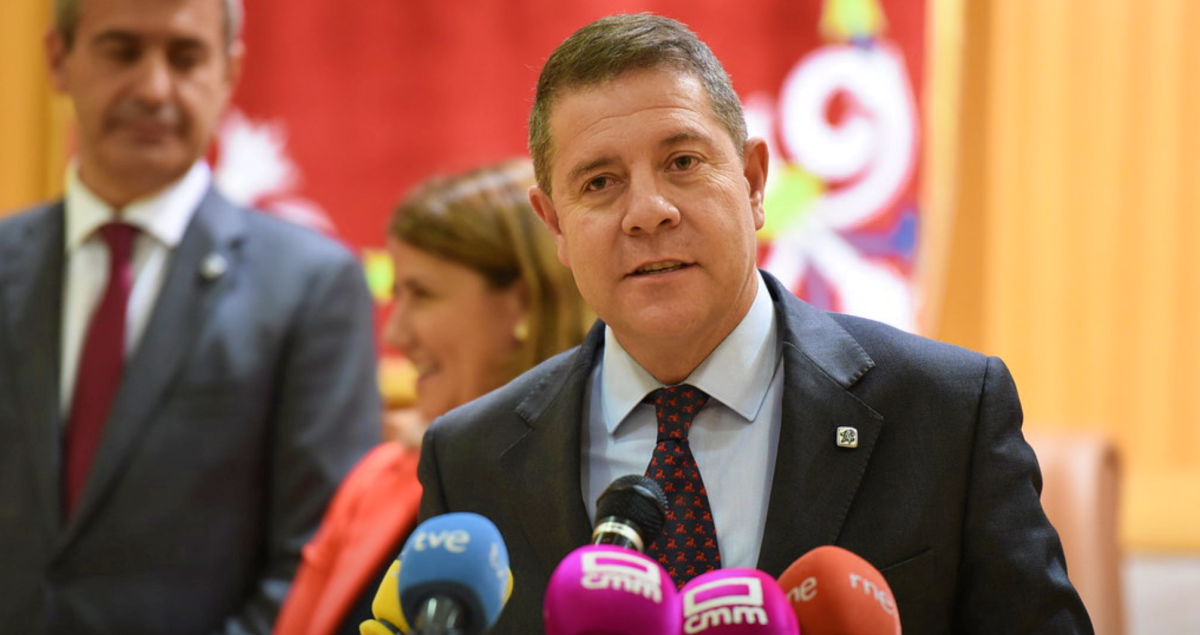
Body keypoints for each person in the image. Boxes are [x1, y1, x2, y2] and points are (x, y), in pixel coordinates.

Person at [417, 13, 1094, 635]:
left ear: (752, 180)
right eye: (599, 182)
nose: (648, 211)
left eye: (683, 163)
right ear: (555, 225)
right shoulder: (469, 460)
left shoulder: (945, 412)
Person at [0, 0, 379, 632]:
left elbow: (316, 561)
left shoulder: (311, 286)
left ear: (229, 72)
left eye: (185, 57)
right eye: (122, 51)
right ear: (58, 59)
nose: (154, 88)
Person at [272, 159, 591, 635]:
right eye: (396, 294)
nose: (395, 334)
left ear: (524, 302)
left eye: (421, 294)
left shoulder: (602, 483)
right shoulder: (378, 479)